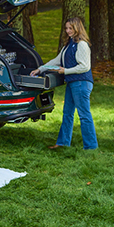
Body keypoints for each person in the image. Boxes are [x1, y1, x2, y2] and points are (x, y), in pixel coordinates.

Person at [32, 17, 98, 150]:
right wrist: (40, 69)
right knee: (67, 113)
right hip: (73, 82)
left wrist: (66, 71)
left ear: (77, 28)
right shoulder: (69, 44)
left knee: (84, 115)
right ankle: (62, 143)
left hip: (81, 83)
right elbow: (57, 60)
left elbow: (84, 66)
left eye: (70, 28)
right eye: (66, 28)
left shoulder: (82, 44)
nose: (68, 31)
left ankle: (91, 147)